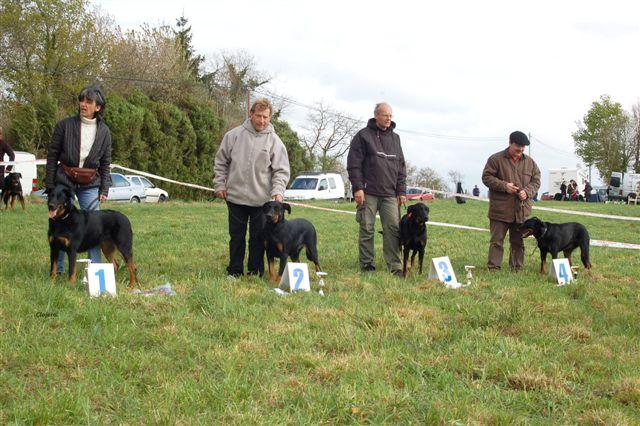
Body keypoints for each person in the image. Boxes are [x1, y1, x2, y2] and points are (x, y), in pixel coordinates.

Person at [214, 98, 290, 278]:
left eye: (265, 117)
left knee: (257, 239)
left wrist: (278, 192)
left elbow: (281, 171)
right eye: (258, 116)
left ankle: (254, 271)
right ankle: (235, 271)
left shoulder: (275, 142)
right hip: (235, 197)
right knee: (237, 237)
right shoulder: (233, 135)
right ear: (251, 114)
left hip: (262, 202)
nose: (261, 121)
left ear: (270, 117)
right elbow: (221, 162)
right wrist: (219, 183)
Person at [45, 86, 112, 271]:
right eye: (81, 100)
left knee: (94, 227)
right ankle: (57, 270)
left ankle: (95, 270)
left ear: (97, 107)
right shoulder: (64, 125)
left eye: (88, 102)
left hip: (91, 183)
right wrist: (50, 184)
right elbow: (52, 155)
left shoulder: (105, 132)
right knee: (57, 223)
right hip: (64, 178)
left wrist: (104, 189)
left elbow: (106, 163)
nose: (83, 104)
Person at [347, 102, 406, 276]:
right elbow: (354, 164)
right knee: (367, 228)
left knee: (393, 229)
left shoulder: (396, 139)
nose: (388, 119)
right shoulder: (363, 136)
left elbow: (401, 166)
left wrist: (401, 191)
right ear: (376, 115)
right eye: (385, 115)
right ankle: (367, 264)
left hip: (390, 193)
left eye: (391, 115)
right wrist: (358, 188)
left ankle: (394, 265)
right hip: (368, 192)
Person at [481, 131, 540, 271]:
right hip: (500, 210)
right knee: (496, 241)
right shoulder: (495, 159)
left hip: (521, 210)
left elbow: (536, 181)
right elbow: (486, 177)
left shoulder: (530, 163)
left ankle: (516, 268)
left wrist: (527, 192)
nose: (520, 150)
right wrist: (504, 186)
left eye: (523, 148)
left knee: (518, 241)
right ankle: (494, 268)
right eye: (517, 147)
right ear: (510, 143)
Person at [0, 126, 16, 193]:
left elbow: (12, 155)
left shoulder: (3, 143)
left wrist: (9, 168)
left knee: (1, 189)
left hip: (0, 171)